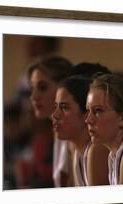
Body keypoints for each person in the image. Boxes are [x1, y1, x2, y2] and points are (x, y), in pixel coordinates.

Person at [16, 55, 73, 188]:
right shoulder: (57, 130)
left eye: (42, 87)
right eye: (32, 89)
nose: (34, 97)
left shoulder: (74, 133)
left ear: (63, 88)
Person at [51, 76, 109, 186]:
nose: (55, 115)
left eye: (64, 108)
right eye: (55, 107)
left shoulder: (97, 149)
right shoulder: (78, 151)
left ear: (85, 114)